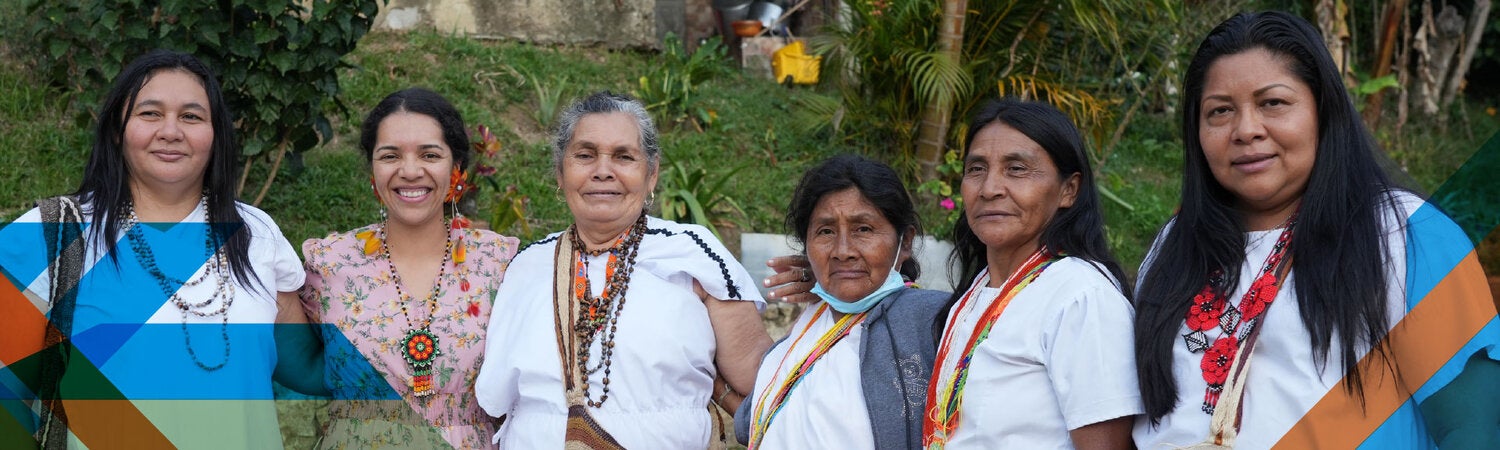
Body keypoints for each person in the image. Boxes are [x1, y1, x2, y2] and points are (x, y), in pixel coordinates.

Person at [1132, 11, 1500, 449]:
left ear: (1323, 111)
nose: (1246, 130)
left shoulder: (1404, 233)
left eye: (1273, 103)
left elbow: (1471, 431)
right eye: (1220, 111)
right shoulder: (1173, 244)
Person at [0, 50, 305, 448]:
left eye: (191, 116)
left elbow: (311, 366)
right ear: (117, 129)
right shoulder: (52, 233)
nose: (171, 131)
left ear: (215, 134)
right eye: (150, 113)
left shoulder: (255, 233)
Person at [474, 91, 772, 448]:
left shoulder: (693, 254)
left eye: (624, 157)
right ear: (560, 173)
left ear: (651, 174)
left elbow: (759, 378)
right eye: (585, 155)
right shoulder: (527, 265)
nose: (603, 171)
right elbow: (495, 400)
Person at [296, 88, 519, 449]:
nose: (410, 171)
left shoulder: (499, 264)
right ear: (372, 167)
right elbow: (293, 360)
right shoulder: (330, 264)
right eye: (390, 155)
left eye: (430, 155)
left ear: (456, 167)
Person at [923, 98, 1141, 449]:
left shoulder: (1081, 296)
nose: (989, 188)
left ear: (1069, 190)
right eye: (976, 169)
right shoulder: (976, 291)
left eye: (1016, 169)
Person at [732, 154, 948, 449]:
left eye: (863, 229)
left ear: (905, 242)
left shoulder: (935, 319)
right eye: (826, 232)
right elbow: (756, 425)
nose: (842, 251)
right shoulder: (806, 331)